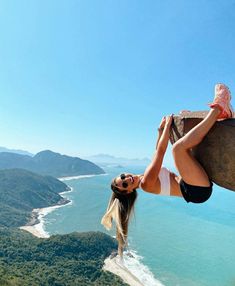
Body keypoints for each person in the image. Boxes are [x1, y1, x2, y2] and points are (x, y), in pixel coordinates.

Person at [101, 83, 234, 256]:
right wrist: (169, 124)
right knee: (178, 149)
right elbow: (161, 152)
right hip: (195, 190)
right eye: (125, 184)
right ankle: (218, 107)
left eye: (123, 177)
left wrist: (160, 131)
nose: (127, 178)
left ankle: (223, 112)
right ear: (129, 192)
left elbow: (156, 151)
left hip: (193, 186)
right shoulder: (147, 183)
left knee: (184, 148)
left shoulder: (144, 178)